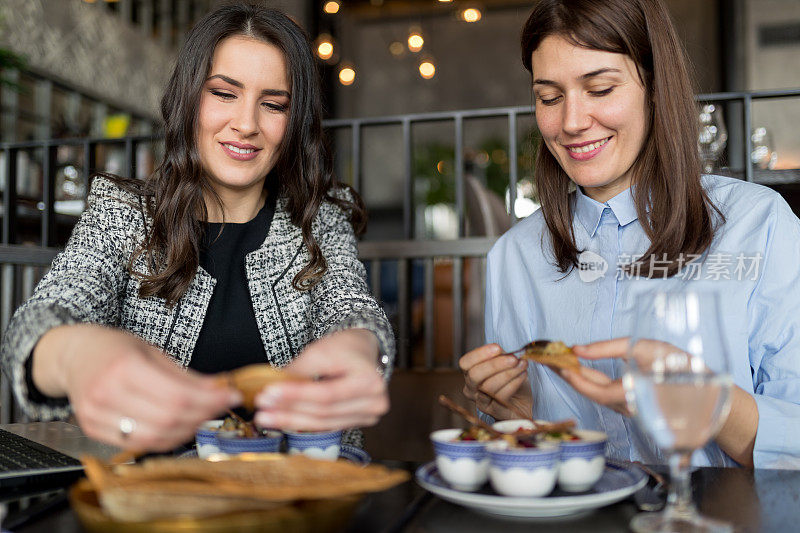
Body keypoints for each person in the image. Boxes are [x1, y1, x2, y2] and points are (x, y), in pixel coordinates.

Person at [0, 1, 394, 452]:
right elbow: (36, 323)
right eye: (224, 94)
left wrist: (361, 346)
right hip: (154, 503)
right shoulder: (124, 213)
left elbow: (351, 306)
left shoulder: (320, 217)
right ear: (189, 98)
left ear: (295, 120)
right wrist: (77, 355)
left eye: (273, 104)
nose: (245, 124)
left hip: (301, 499)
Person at [460, 0, 800, 470]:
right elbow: (527, 457)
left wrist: (705, 400)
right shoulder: (514, 257)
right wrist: (521, 415)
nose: (572, 121)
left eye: (599, 89)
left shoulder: (756, 225)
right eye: (550, 97)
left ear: (655, 88)